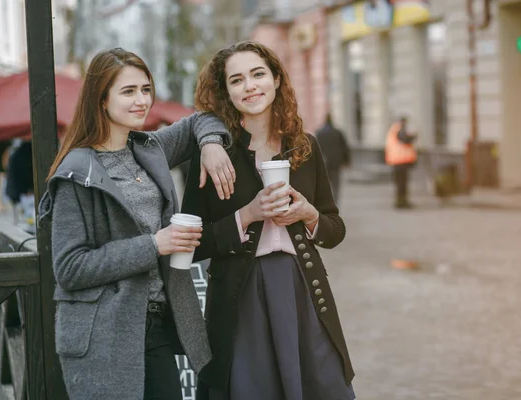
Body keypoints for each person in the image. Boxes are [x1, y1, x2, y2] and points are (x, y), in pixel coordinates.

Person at [37, 48, 236, 400]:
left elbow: (202, 119)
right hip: (105, 335)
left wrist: (209, 144)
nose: (142, 100)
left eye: (145, 89)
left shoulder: (148, 148)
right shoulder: (76, 173)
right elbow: (69, 268)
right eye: (128, 92)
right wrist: (155, 245)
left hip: (156, 323)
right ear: (101, 100)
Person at [183, 40, 355, 400]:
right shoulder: (214, 154)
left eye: (258, 74)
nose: (250, 86)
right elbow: (192, 245)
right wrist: (246, 216)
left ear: (276, 79)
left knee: (319, 385)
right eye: (237, 80)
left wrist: (308, 213)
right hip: (240, 296)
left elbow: (334, 230)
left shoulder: (304, 146)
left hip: (302, 290)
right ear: (225, 92)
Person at [315, 113, 351, 204]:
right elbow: (345, 147)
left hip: (324, 162)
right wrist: (347, 161)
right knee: (336, 184)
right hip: (336, 162)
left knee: (325, 184)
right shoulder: (338, 132)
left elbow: (316, 149)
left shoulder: (319, 133)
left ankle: (327, 202)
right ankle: (335, 202)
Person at [385, 116, 417, 209]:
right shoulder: (399, 130)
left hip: (397, 161)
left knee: (400, 183)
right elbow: (406, 140)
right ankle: (401, 202)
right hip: (401, 161)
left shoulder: (393, 130)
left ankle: (401, 201)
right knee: (402, 184)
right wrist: (414, 135)